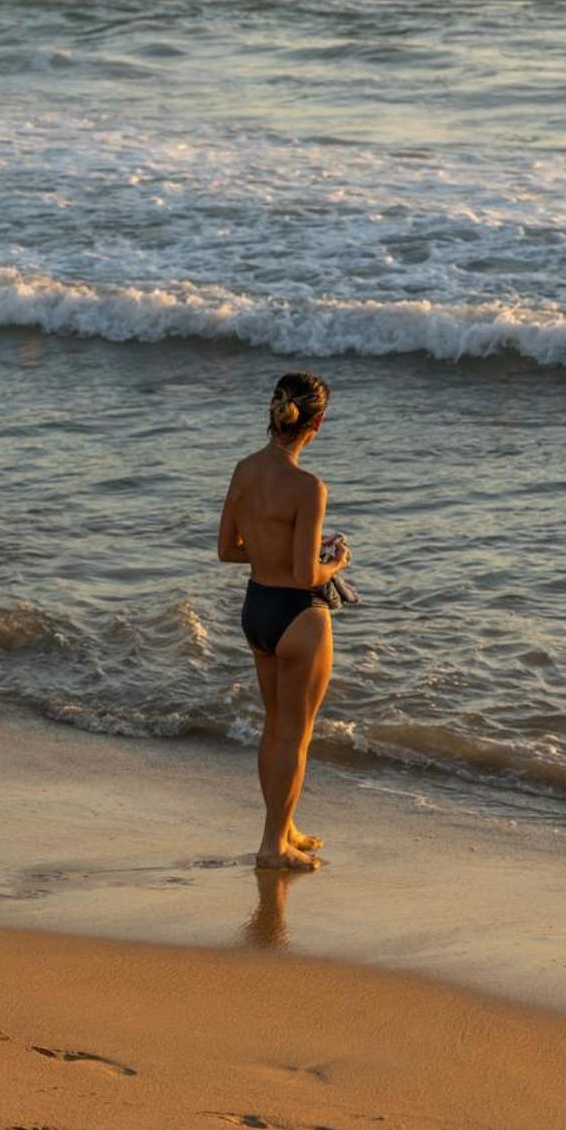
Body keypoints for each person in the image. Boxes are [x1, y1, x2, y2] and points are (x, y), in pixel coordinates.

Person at [217, 370, 348, 871]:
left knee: (275, 727)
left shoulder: (244, 470)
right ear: (318, 422)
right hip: (299, 615)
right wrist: (335, 561)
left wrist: (274, 552)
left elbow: (229, 549)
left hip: (257, 609)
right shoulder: (309, 487)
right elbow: (303, 574)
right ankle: (273, 844)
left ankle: (284, 826)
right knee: (296, 733)